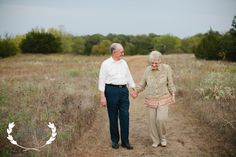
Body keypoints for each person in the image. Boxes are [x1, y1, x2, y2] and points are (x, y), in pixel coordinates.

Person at [132, 50, 176, 148]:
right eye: (152, 63)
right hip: (151, 99)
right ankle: (155, 140)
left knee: (161, 119)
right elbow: (142, 84)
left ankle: (163, 138)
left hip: (163, 97)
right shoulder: (147, 70)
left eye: (156, 63)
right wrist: (136, 91)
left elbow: (170, 83)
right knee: (152, 121)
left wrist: (173, 94)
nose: (154, 65)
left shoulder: (166, 68)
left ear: (160, 61)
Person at [98, 43, 136, 150]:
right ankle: (115, 141)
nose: (123, 54)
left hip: (124, 91)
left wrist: (133, 88)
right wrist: (102, 97)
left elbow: (128, 76)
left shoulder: (124, 63)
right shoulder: (105, 64)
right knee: (113, 117)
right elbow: (101, 81)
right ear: (114, 52)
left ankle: (125, 142)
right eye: (121, 52)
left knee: (125, 116)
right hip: (111, 91)